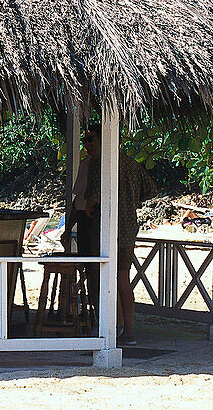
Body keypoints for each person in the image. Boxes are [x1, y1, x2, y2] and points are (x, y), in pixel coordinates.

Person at [83, 129, 157, 346]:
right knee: (122, 280)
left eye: (89, 139)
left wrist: (89, 206)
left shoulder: (98, 165)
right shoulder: (132, 164)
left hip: (106, 230)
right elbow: (151, 189)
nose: (86, 144)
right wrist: (132, 200)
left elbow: (92, 200)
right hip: (127, 228)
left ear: (104, 140)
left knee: (102, 279)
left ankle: (111, 328)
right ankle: (129, 331)